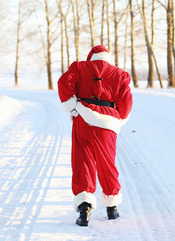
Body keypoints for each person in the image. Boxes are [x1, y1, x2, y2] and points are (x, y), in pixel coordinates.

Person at [57, 45, 133, 226]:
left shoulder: (79, 67)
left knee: (81, 161)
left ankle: (84, 209)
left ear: (91, 56)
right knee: (107, 163)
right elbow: (126, 101)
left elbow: (63, 83)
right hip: (107, 123)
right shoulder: (120, 74)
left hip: (83, 119)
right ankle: (112, 208)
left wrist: (72, 105)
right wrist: (119, 118)